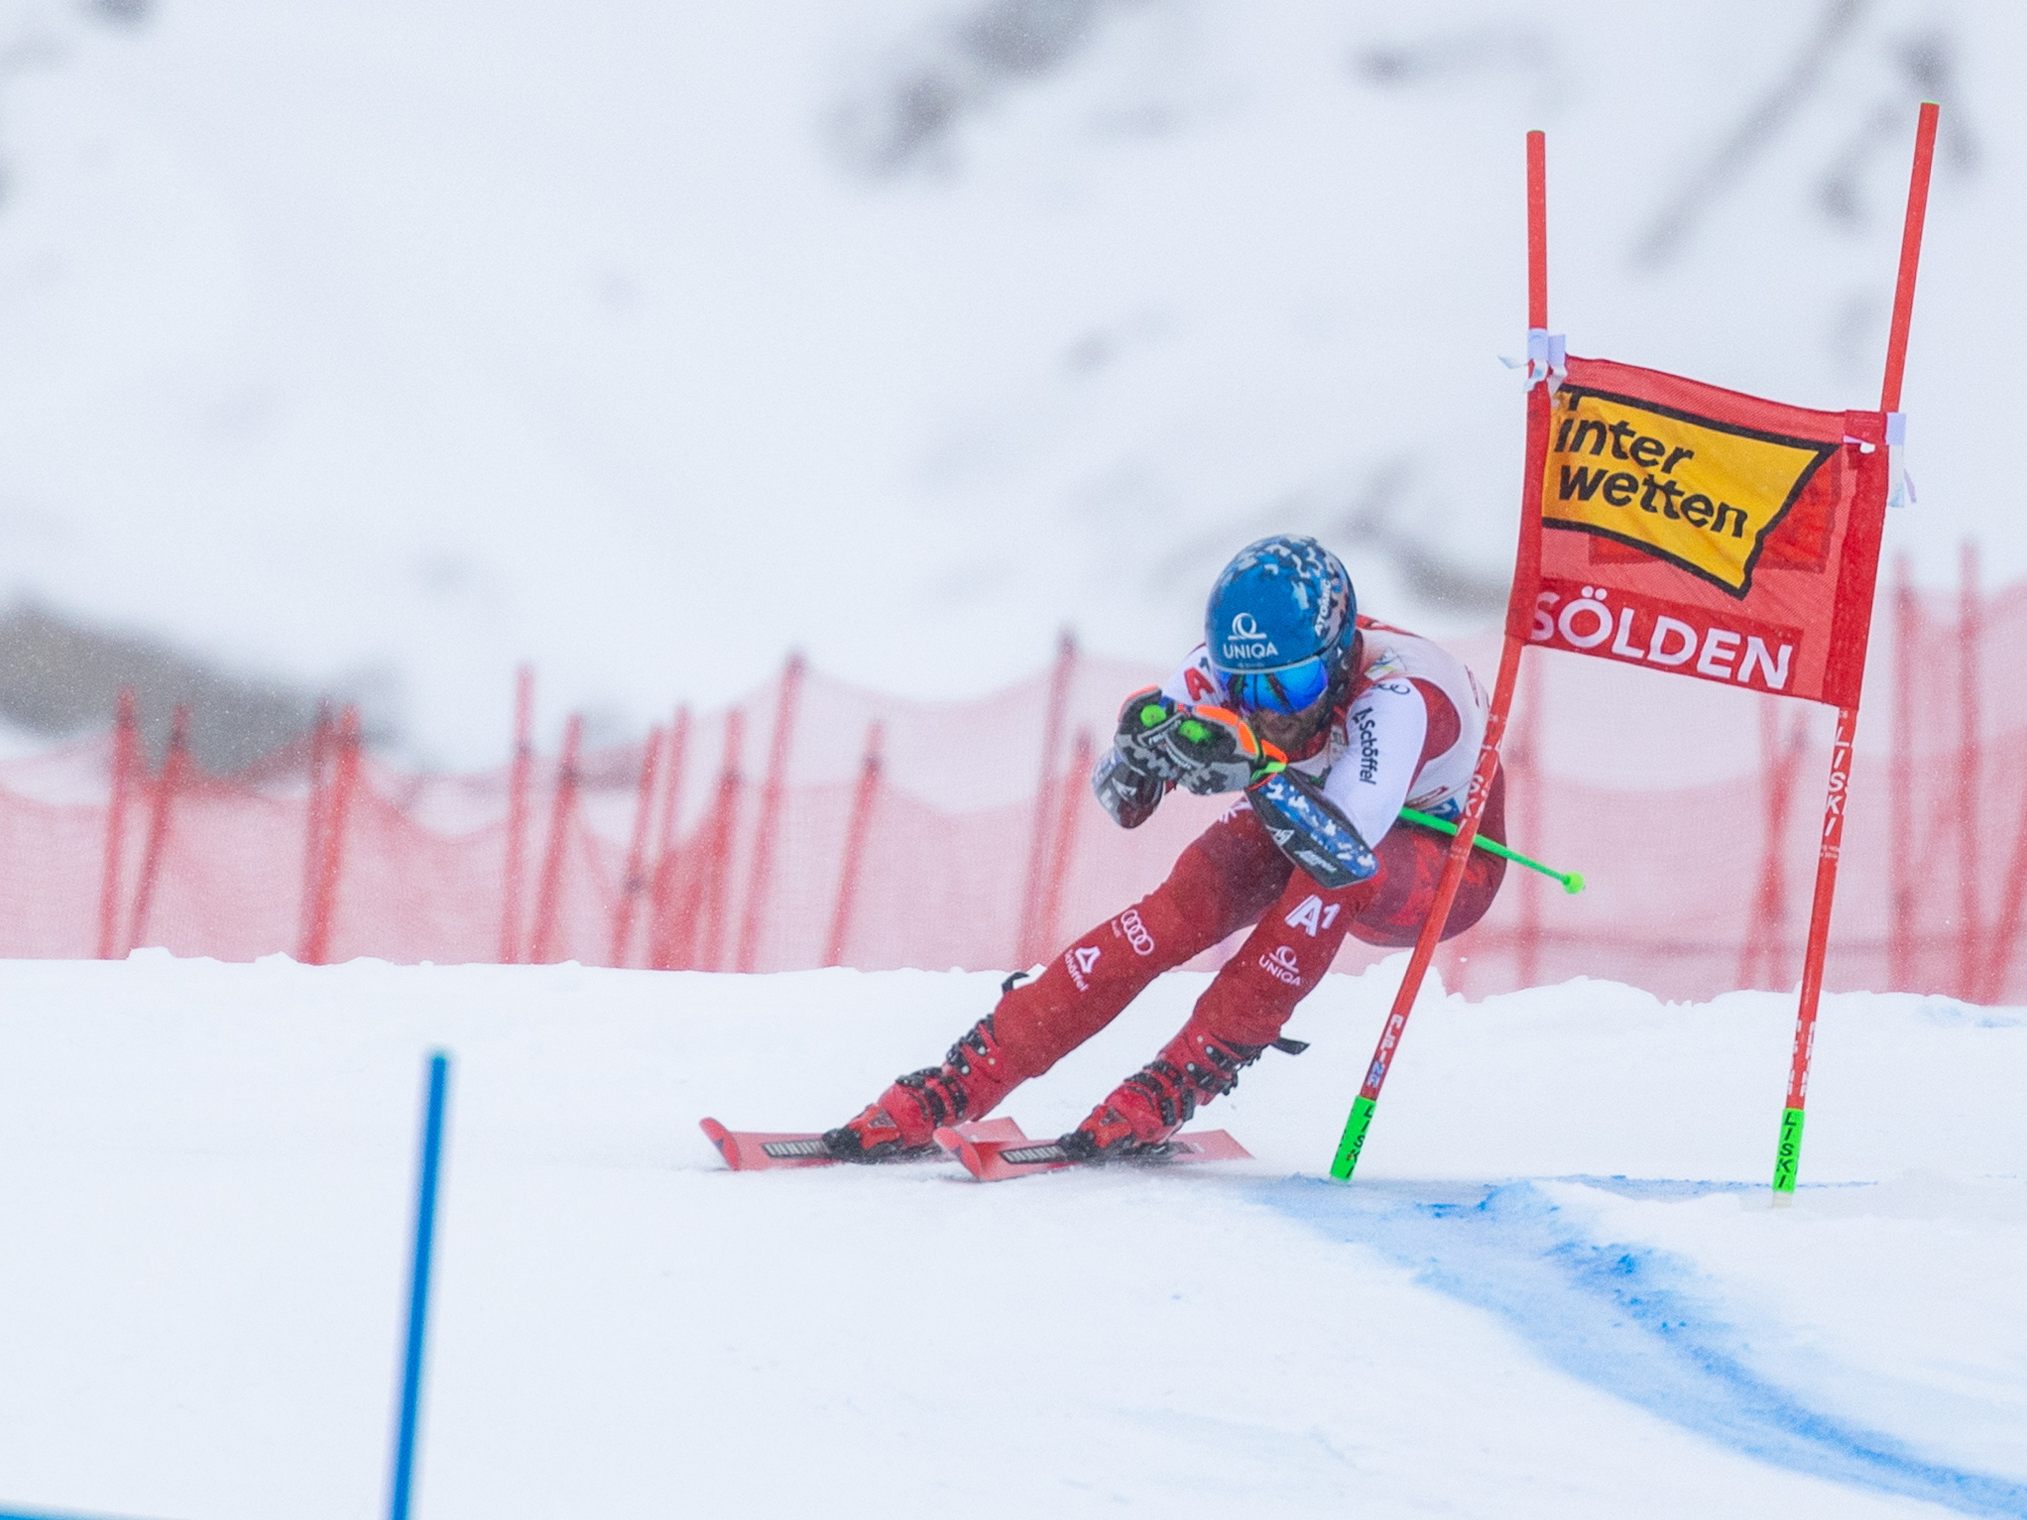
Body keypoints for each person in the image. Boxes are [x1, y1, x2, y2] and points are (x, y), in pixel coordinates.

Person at [823, 534, 1508, 1162]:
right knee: (1179, 907)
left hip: (1439, 863)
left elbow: (1345, 854)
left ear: (1333, 658)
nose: (1268, 707)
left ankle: (1181, 1076)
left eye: (1289, 684)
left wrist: (1259, 770)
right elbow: (1121, 805)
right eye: (1245, 686)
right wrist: (1138, 750)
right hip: (1316, 815)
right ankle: (962, 1080)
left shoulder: (1397, 696)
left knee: (1323, 884)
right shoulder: (1217, 674)